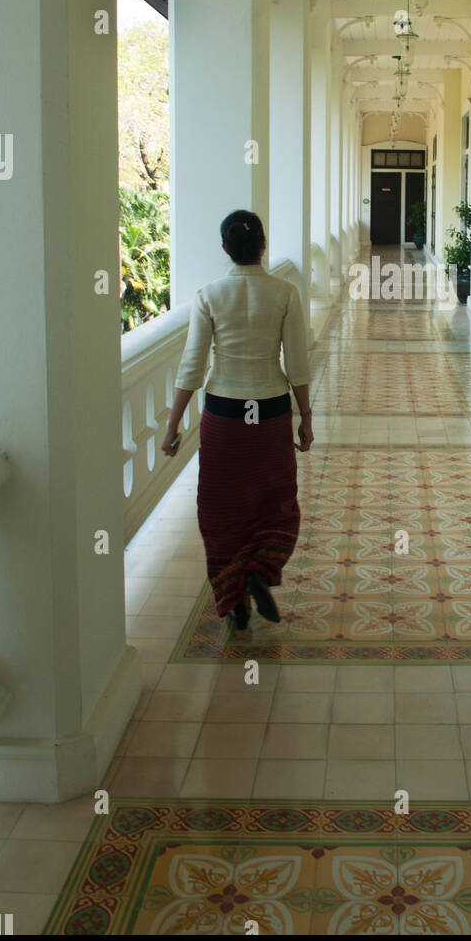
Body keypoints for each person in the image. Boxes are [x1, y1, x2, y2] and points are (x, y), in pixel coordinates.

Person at [161, 210, 313, 631]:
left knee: (222, 506)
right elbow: (297, 364)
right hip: (269, 411)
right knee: (275, 500)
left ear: (225, 248)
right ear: (263, 245)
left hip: (225, 414)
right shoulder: (284, 293)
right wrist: (306, 417)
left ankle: (234, 600)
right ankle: (259, 573)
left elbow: (192, 367)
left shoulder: (208, 295)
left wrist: (173, 425)